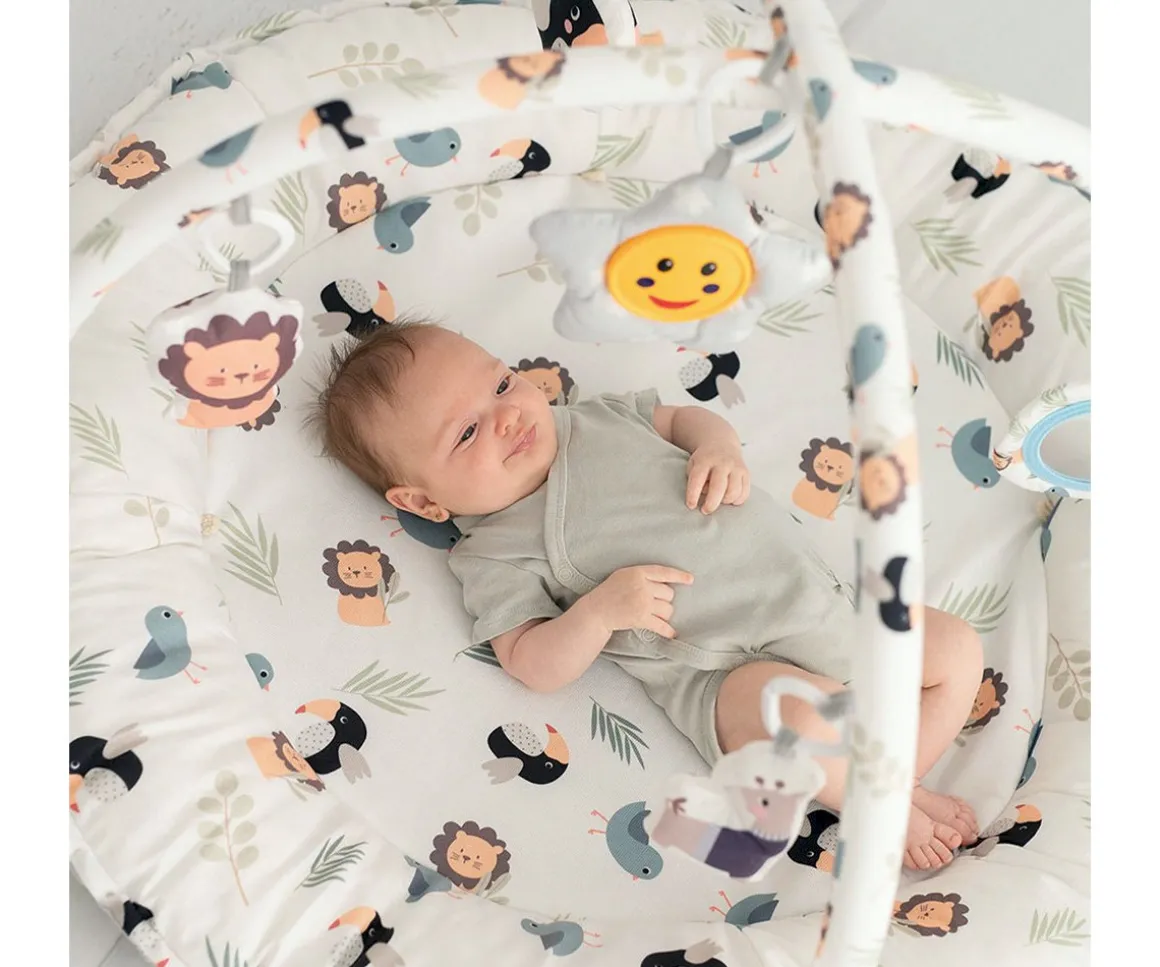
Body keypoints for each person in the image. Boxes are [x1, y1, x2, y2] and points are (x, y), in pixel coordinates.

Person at [309, 321, 983, 870]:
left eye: (502, 383)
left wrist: (720, 448)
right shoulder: (493, 549)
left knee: (955, 648)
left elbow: (687, 420)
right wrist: (598, 612)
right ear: (423, 502)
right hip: (731, 673)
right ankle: (878, 800)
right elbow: (530, 661)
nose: (507, 417)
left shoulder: (596, 417)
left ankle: (891, 778)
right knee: (797, 722)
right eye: (466, 433)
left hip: (827, 611)